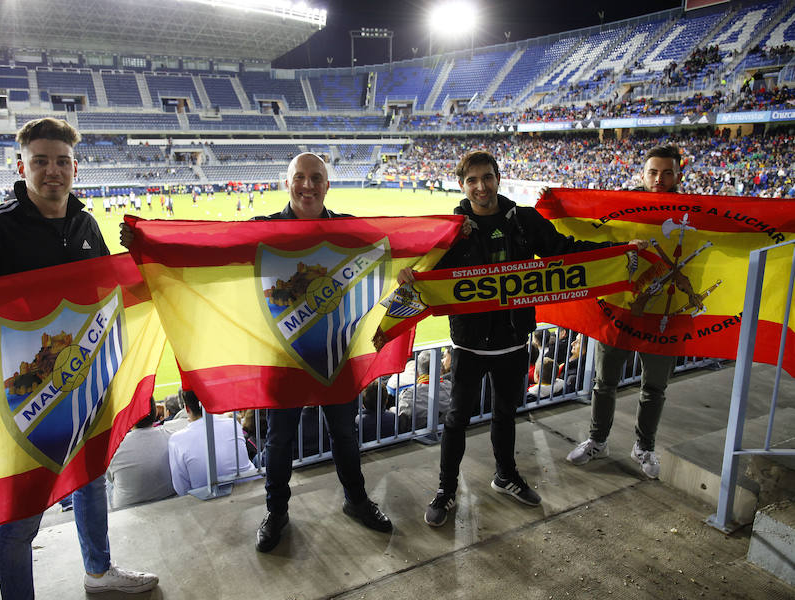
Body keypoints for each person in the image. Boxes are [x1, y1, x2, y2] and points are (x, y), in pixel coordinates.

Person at [0, 118, 158, 597]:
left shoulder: (84, 223)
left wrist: (148, 255)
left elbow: (105, 290)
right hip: (26, 398)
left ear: (75, 168)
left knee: (91, 480)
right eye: (41, 161)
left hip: (84, 381)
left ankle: (98, 573)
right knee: (23, 513)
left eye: (61, 162)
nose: (52, 171)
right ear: (22, 166)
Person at [399, 150, 643, 527]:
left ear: (498, 178)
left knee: (505, 414)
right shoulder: (450, 228)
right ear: (463, 185)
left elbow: (566, 251)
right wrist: (409, 274)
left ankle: (506, 475)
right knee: (456, 420)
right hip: (468, 344)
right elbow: (425, 268)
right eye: (472, 180)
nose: (481, 186)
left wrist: (619, 254)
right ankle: (446, 490)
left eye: (487, 177)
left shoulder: (524, 220)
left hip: (513, 342)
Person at [251, 152, 392, 552]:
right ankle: (276, 511)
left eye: (316, 178)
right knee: (278, 442)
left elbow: (396, 246)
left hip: (337, 353)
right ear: (287, 183)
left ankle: (356, 500)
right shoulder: (261, 231)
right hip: (285, 355)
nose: (308, 185)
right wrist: (148, 241)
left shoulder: (348, 230)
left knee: (346, 435)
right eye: (300, 177)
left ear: (328, 186)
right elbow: (207, 249)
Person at [566, 145, 683, 479]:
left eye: (667, 172)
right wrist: (557, 202)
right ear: (642, 173)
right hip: (620, 309)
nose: (660, 179)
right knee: (605, 382)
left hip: (664, 313)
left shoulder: (694, 212)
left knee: (655, 388)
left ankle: (644, 447)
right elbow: (588, 226)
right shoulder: (621, 206)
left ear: (678, 175)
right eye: (653, 172)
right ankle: (597, 440)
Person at [167, 391, 255, 495]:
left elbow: (182, 489)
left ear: (187, 409)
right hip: (248, 489)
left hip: (211, 498)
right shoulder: (232, 424)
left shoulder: (176, 440)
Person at [106, 397, 175, 509]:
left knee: (107, 482)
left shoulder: (115, 447)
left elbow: (110, 477)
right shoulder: (171, 437)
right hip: (167, 499)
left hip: (127, 508)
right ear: (155, 411)